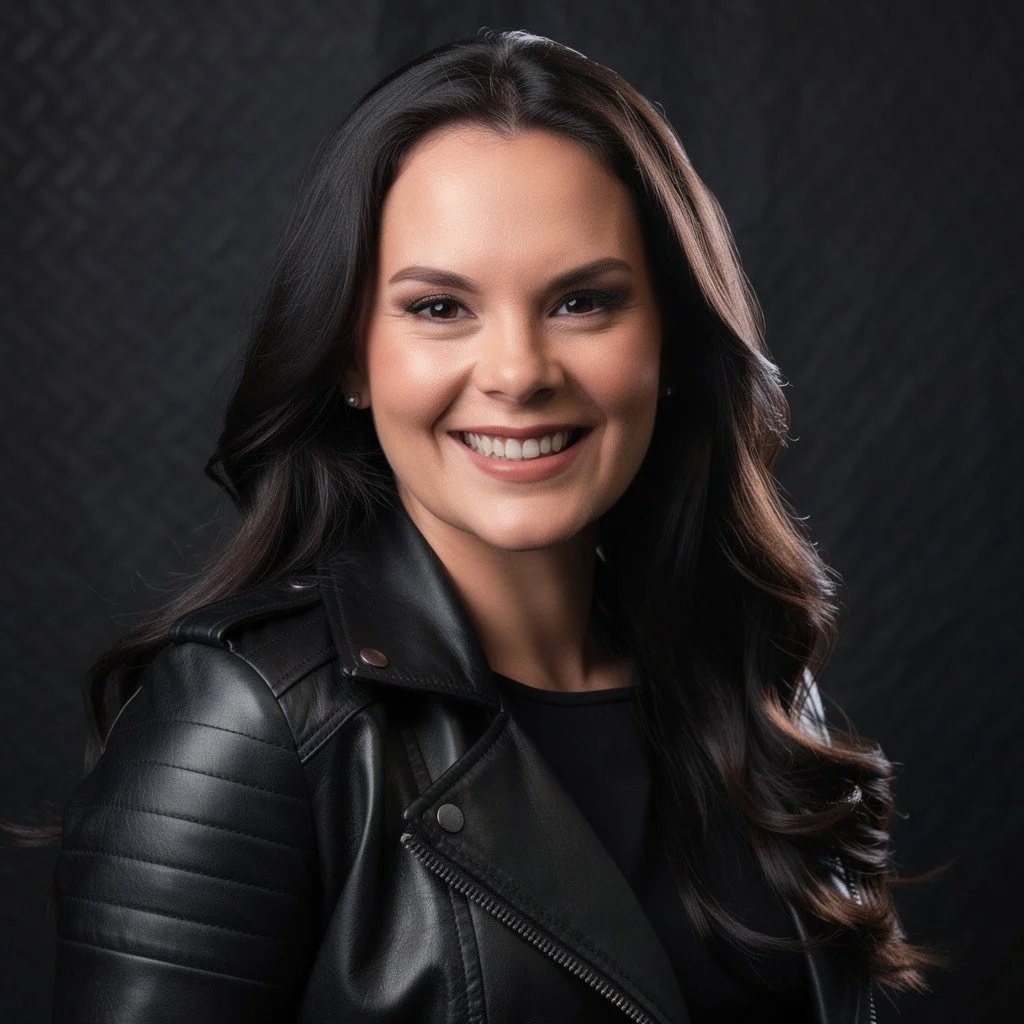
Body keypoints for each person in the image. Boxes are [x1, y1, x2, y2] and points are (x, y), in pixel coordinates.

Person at [48, 27, 945, 1024]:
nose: (518, 373)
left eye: (581, 301)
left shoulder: (759, 688)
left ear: (672, 339)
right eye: (439, 308)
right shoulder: (242, 727)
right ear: (351, 356)